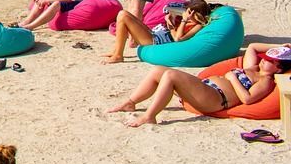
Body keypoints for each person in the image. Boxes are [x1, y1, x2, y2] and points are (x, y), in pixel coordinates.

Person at [106, 43, 291, 127]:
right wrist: (283, 46)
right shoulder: (252, 67)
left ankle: (149, 116)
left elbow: (248, 99)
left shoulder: (266, 81)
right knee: (158, 70)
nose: (263, 60)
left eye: (268, 60)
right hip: (207, 88)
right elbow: (252, 47)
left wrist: (232, 78)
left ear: (278, 67)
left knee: (170, 75)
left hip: (216, 99)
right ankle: (131, 102)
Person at [101, 0, 212, 64]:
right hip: (156, 34)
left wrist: (183, 20)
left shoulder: (197, 26)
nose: (184, 13)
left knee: (123, 15)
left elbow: (178, 39)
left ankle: (118, 55)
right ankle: (116, 51)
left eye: (187, 11)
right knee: (123, 14)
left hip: (156, 41)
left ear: (193, 13)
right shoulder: (188, 22)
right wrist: (170, 22)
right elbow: (174, 34)